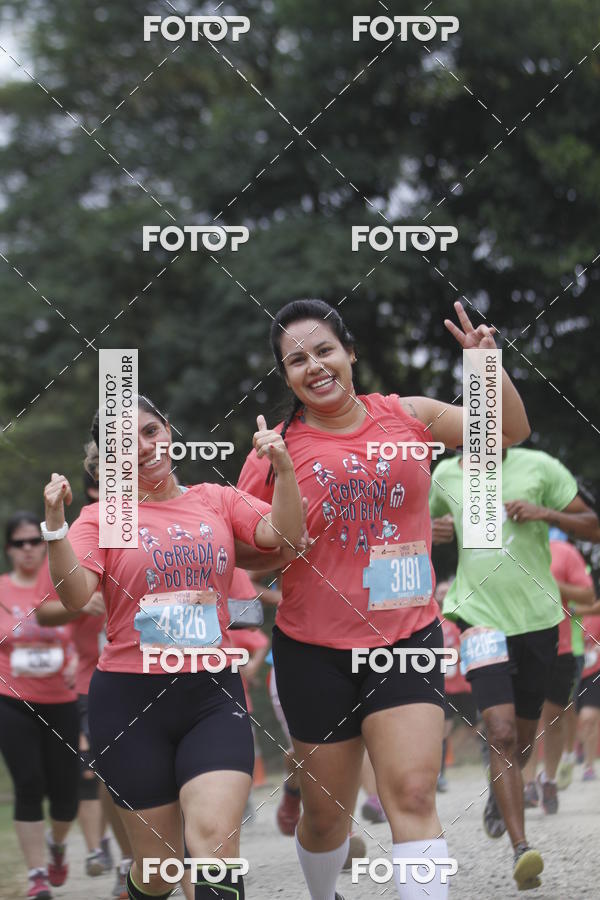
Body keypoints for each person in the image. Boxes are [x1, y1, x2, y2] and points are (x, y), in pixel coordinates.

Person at [237, 297, 531, 900]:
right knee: (326, 817)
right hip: (313, 649)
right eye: (296, 360)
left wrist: (486, 367)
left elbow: (508, 432)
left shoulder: (407, 416)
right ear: (286, 375)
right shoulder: (275, 453)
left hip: (406, 637)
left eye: (324, 350)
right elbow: (248, 555)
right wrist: (291, 523)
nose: (313, 366)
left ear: (350, 353)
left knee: (415, 795)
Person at [42, 395, 303, 900]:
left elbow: (284, 535)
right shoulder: (104, 517)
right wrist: (55, 526)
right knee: (159, 870)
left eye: (150, 430)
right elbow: (75, 596)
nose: (144, 447)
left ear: (168, 429)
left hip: (211, 696)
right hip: (129, 703)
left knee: (212, 843)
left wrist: (285, 471)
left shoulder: (215, 499)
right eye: (125, 442)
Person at [430, 447, 599, 891]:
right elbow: (404, 526)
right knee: (500, 733)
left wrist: (545, 512)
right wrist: (432, 530)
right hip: (477, 615)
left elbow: (593, 527)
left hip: (539, 621)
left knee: (523, 740)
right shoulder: (445, 472)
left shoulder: (539, 466)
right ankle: (522, 848)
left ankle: (499, 791)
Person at [0, 511, 79, 899]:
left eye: (35, 541)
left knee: (66, 795)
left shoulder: (63, 585)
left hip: (61, 700)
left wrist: (78, 662)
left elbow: (91, 634)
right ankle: (35, 876)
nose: (28, 549)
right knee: (28, 782)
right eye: (19, 543)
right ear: (8, 549)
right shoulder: (0, 590)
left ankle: (57, 845)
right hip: (10, 699)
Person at [521, 530, 595, 811]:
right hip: (520, 643)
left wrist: (554, 586)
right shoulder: (508, 547)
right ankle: (528, 784)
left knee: (553, 717)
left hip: (561, 647)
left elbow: (587, 595)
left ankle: (549, 779)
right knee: (526, 716)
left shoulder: (564, 552)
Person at [435, 580, 477, 793]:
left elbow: (467, 644)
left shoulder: (460, 617)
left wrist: (454, 653)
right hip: (444, 687)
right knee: (442, 730)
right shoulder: (432, 621)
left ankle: (495, 763)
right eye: (439, 591)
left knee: (477, 729)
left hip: (464, 685)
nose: (442, 594)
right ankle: (439, 776)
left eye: (446, 591)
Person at [576, 599, 600, 780]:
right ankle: (573, 749)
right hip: (572, 669)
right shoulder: (566, 610)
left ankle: (589, 766)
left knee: (589, 718)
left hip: (595, 671)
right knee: (570, 718)